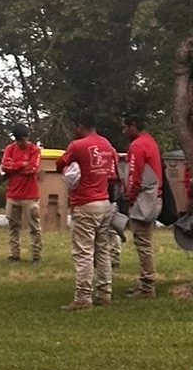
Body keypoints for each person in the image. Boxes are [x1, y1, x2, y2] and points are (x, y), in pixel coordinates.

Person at [60, 116, 119, 310]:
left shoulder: (77, 145)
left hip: (85, 203)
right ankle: (105, 292)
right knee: (102, 250)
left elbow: (60, 164)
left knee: (83, 252)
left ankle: (83, 297)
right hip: (104, 201)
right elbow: (113, 170)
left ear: (80, 125)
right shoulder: (106, 144)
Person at [122, 113, 164, 299]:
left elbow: (134, 176)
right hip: (154, 197)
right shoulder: (150, 141)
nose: (124, 131)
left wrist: (129, 198)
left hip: (144, 199)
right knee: (144, 242)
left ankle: (147, 286)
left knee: (143, 243)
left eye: (125, 127)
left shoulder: (137, 146)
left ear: (132, 126)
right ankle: (144, 282)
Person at [0, 124, 43, 263]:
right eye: (20, 141)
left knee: (34, 227)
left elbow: (33, 168)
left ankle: (36, 255)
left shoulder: (34, 150)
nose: (22, 143)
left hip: (30, 195)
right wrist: (22, 164)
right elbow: (5, 166)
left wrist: (14, 167)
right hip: (13, 195)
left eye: (24, 140)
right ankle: (14, 254)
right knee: (13, 226)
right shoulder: (9, 148)